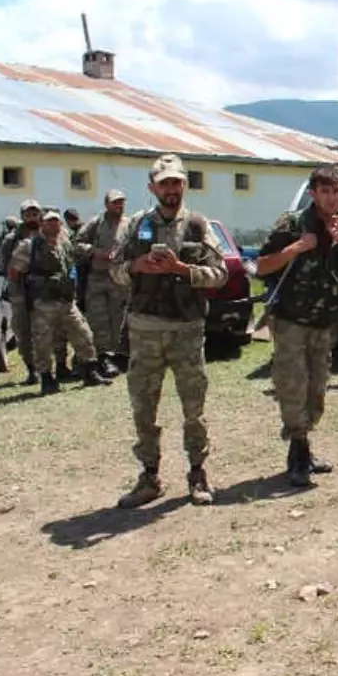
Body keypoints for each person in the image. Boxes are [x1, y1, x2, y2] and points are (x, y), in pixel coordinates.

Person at [110, 153, 228, 509]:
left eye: (177, 182)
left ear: (184, 185)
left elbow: (220, 274)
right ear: (153, 187)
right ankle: (149, 476)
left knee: (194, 407)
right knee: (144, 407)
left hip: (187, 330)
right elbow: (113, 271)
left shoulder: (197, 226)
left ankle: (197, 472)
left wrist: (183, 270)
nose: (171, 189)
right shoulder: (135, 225)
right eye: (165, 183)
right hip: (145, 329)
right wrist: (137, 265)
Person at [257, 166, 338, 487]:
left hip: (324, 324)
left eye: (336, 191)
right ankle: (297, 453)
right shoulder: (292, 224)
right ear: (312, 194)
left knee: (317, 391)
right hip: (292, 320)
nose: (332, 198)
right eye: (325, 191)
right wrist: (295, 248)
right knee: (293, 385)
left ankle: (305, 448)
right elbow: (261, 266)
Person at [8, 210, 111, 394]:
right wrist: (26, 296)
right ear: (42, 224)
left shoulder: (64, 243)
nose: (53, 225)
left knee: (84, 334)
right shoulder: (29, 246)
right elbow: (14, 273)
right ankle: (47, 378)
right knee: (42, 343)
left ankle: (90, 372)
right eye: (49, 222)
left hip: (66, 301)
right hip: (43, 303)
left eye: (56, 221)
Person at [74, 188, 129, 376]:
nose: (119, 206)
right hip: (97, 278)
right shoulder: (96, 223)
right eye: (115, 202)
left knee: (118, 320)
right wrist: (95, 251)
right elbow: (78, 243)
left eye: (121, 202)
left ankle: (115, 358)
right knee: (98, 320)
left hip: (119, 279)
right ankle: (103, 358)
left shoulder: (128, 225)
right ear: (107, 204)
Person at [0, 199, 43, 385]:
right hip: (20, 289)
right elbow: (5, 265)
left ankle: (51, 368)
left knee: (46, 329)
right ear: (22, 216)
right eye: (28, 214)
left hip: (44, 289)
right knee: (23, 331)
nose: (32, 218)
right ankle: (32, 370)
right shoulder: (12, 239)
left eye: (35, 214)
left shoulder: (48, 232)